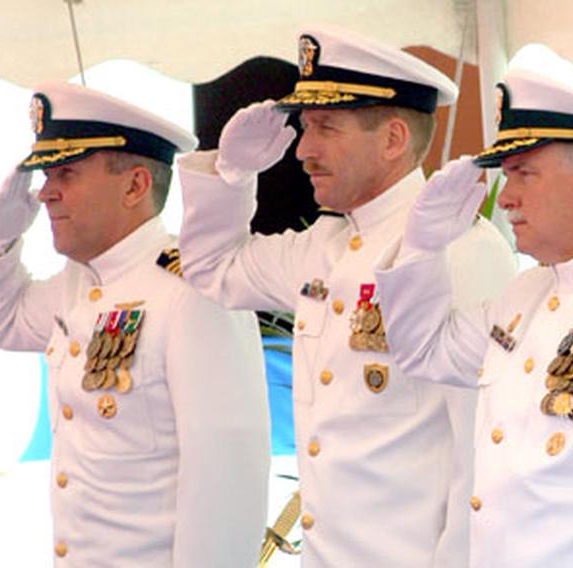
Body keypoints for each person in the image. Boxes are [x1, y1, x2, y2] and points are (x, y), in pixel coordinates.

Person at [176, 24, 516, 567]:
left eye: (325, 127)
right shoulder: (326, 246)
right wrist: (232, 174)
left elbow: (483, 456)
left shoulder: (461, 249)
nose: (304, 150)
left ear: (392, 140)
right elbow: (213, 269)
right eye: (305, 128)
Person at [374, 47, 573, 567]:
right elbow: (422, 351)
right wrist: (422, 248)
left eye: (524, 173)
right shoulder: (523, 298)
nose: (505, 198)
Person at [0, 82, 271, 566]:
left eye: (65, 172)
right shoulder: (80, 282)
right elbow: (1, 322)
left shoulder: (192, 290)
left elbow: (226, 477)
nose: (46, 194)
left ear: (135, 186)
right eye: (46, 175)